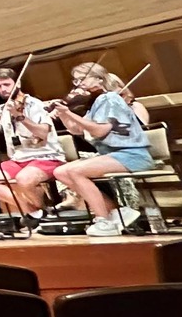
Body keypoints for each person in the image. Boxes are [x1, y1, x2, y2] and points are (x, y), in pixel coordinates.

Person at [49, 63, 148, 237]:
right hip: (111, 155)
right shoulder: (96, 102)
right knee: (60, 172)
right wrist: (63, 114)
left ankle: (102, 219)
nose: (79, 84)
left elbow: (100, 130)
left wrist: (69, 113)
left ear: (99, 79)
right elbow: (76, 130)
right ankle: (114, 212)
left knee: (75, 171)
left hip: (131, 154)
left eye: (83, 78)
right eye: (76, 80)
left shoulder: (109, 98)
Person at [0, 66, 66, 219]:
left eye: (7, 84)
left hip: (46, 156)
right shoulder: (5, 108)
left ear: (17, 83)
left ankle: (40, 211)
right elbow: (0, 131)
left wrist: (19, 115)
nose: (3, 89)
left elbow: (43, 133)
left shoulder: (34, 104)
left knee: (24, 179)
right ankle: (34, 211)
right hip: (19, 158)